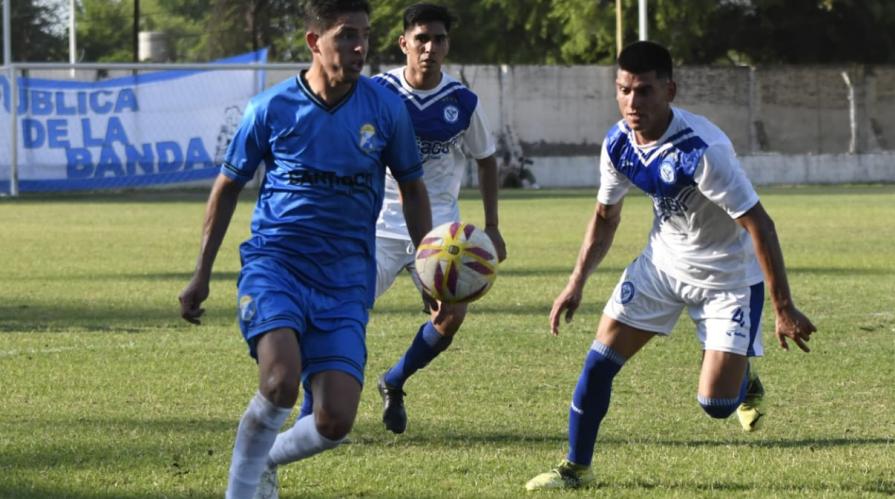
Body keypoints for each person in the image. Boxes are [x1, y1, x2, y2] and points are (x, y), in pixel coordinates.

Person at [524, 41, 817, 491]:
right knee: (598, 363)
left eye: (644, 91)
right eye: (623, 90)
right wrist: (575, 283)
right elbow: (606, 216)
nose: (631, 103)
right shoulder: (618, 142)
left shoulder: (702, 151)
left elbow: (761, 224)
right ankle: (576, 468)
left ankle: (744, 377)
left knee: (716, 404)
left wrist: (783, 307)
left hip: (728, 279)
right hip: (661, 267)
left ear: (670, 91)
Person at [177, 1, 431, 498]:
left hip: (344, 279)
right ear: (315, 42)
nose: (359, 48)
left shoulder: (385, 109)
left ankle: (263, 458)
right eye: (345, 36)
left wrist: (427, 269)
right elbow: (227, 186)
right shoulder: (270, 108)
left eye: (364, 35)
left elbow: (413, 187)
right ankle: (242, 488)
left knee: (334, 421)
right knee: (279, 381)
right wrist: (201, 273)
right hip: (277, 266)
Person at [298, 2, 507, 435]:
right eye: (422, 38)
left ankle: (394, 381)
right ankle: (308, 410)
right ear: (403, 43)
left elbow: (486, 160)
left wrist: (493, 225)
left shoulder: (462, 102)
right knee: (341, 315)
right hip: (376, 228)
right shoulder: (375, 92)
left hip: (441, 235)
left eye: (440, 39)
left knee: (451, 317)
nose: (431, 47)